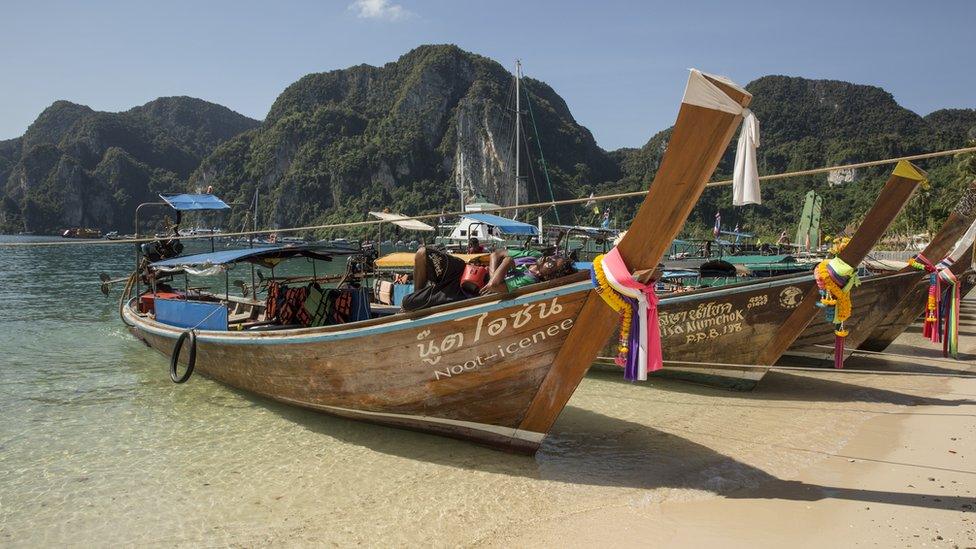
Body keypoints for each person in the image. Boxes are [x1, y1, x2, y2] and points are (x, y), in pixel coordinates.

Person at [401, 247, 572, 311]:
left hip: (464, 292)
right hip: (465, 270)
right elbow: (496, 253)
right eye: (552, 257)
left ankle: (417, 301)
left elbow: (494, 287)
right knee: (422, 254)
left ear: (549, 275)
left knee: (407, 302)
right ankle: (420, 293)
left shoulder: (530, 280)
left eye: (551, 265)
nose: (547, 259)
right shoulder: (533, 255)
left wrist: (506, 263)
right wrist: (496, 269)